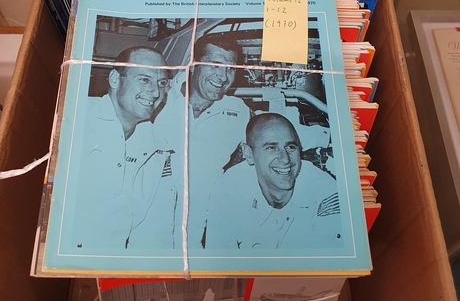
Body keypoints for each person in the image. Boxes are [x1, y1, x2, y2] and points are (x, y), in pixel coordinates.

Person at [74, 46, 179, 250]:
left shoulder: (159, 148)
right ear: (115, 79)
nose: (156, 92)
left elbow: (157, 228)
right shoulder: (76, 118)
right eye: (144, 79)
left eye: (161, 83)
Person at [154, 32, 251, 248]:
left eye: (230, 69)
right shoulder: (159, 96)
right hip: (145, 225)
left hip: (196, 234)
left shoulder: (238, 111)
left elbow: (266, 135)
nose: (223, 77)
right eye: (215, 65)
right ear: (193, 64)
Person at [205, 113, 342, 249]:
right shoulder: (229, 189)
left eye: (290, 147)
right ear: (249, 154)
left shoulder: (326, 193)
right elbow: (221, 257)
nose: (285, 159)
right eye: (272, 148)